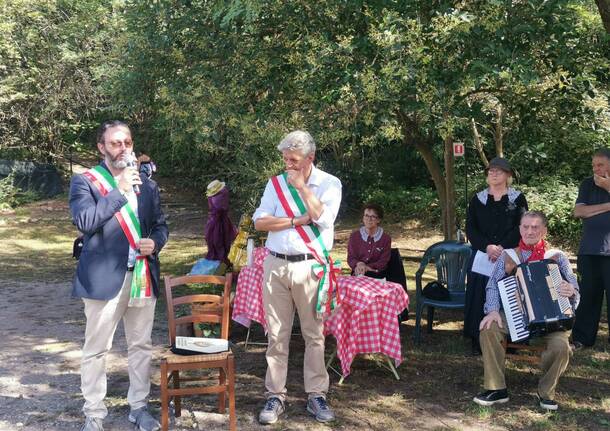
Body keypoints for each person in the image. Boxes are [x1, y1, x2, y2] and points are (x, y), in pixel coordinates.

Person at [69, 120, 169, 431]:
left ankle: (138, 407)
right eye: (115, 143)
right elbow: (85, 221)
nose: (122, 148)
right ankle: (94, 414)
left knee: (140, 346)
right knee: (97, 349)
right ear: (102, 148)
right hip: (103, 279)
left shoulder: (147, 184)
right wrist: (120, 190)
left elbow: (161, 226)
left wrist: (157, 243)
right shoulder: (86, 181)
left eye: (126, 142)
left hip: (141, 276)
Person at [253, 130, 342, 425]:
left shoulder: (329, 183)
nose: (287, 165)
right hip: (275, 266)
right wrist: (293, 221)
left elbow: (324, 218)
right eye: (285, 159)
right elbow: (261, 222)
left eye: (293, 160)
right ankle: (275, 394)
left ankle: (316, 394)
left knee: (313, 335)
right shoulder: (274, 184)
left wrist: (304, 189)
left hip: (309, 267)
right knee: (276, 335)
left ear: (310, 158)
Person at [473, 211, 579, 411]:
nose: (530, 231)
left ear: (544, 230)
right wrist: (493, 310)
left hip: (552, 320)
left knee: (561, 346)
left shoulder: (557, 257)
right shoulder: (509, 255)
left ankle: (546, 392)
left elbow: (574, 286)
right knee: (489, 328)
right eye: (526, 227)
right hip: (515, 316)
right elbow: (493, 285)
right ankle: (496, 389)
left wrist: (571, 291)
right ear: (520, 229)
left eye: (535, 227)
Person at [465, 157, 528, 355]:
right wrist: (487, 246)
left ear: (508, 175)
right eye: (491, 171)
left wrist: (501, 247)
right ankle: (478, 340)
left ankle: (510, 340)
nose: (493, 174)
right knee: (479, 295)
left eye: (498, 171)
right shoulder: (478, 199)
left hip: (509, 256)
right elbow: (470, 228)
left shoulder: (517, 199)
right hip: (483, 256)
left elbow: (522, 226)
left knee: (508, 295)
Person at [571, 148, 610, 349]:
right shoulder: (587, 184)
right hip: (589, 249)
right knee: (588, 295)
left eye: (600, 164)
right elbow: (579, 211)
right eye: (594, 165)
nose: (596, 168)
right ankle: (582, 338)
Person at [347, 203, 391, 278]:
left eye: (373, 216)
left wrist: (367, 267)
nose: (369, 219)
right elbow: (351, 258)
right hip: (358, 273)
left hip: (378, 274)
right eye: (366, 215)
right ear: (363, 218)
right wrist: (359, 264)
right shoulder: (354, 236)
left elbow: (383, 262)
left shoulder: (385, 238)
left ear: (378, 220)